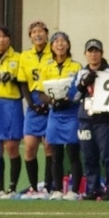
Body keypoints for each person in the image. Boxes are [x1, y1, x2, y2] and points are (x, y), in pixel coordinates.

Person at [68, 39, 109, 200]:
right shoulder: (81, 73)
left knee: (108, 156)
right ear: (85, 54)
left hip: (104, 121)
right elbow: (72, 96)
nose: (93, 54)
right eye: (90, 51)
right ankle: (93, 188)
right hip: (85, 119)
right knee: (89, 156)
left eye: (96, 51)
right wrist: (83, 84)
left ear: (102, 53)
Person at [37, 31, 83, 200]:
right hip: (55, 113)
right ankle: (56, 189)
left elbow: (81, 89)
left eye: (63, 41)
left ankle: (75, 191)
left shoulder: (76, 66)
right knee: (55, 152)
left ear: (68, 45)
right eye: (56, 41)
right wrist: (52, 101)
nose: (60, 44)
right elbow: (40, 93)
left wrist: (68, 99)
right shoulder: (47, 67)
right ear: (52, 46)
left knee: (73, 151)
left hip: (72, 112)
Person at [17, 20, 53, 199]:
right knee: (30, 147)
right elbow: (23, 82)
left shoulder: (53, 52)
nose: (37, 34)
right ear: (30, 36)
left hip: (49, 98)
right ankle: (33, 187)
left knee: (49, 146)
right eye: (34, 32)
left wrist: (48, 101)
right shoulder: (25, 56)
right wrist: (31, 104)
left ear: (46, 34)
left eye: (41, 31)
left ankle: (47, 186)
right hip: (33, 101)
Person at [0, 26, 23, 198]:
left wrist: (13, 77)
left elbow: (24, 80)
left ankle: (12, 187)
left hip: (11, 103)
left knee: (11, 146)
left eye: (4, 36)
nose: (1, 40)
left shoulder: (18, 58)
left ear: (9, 39)